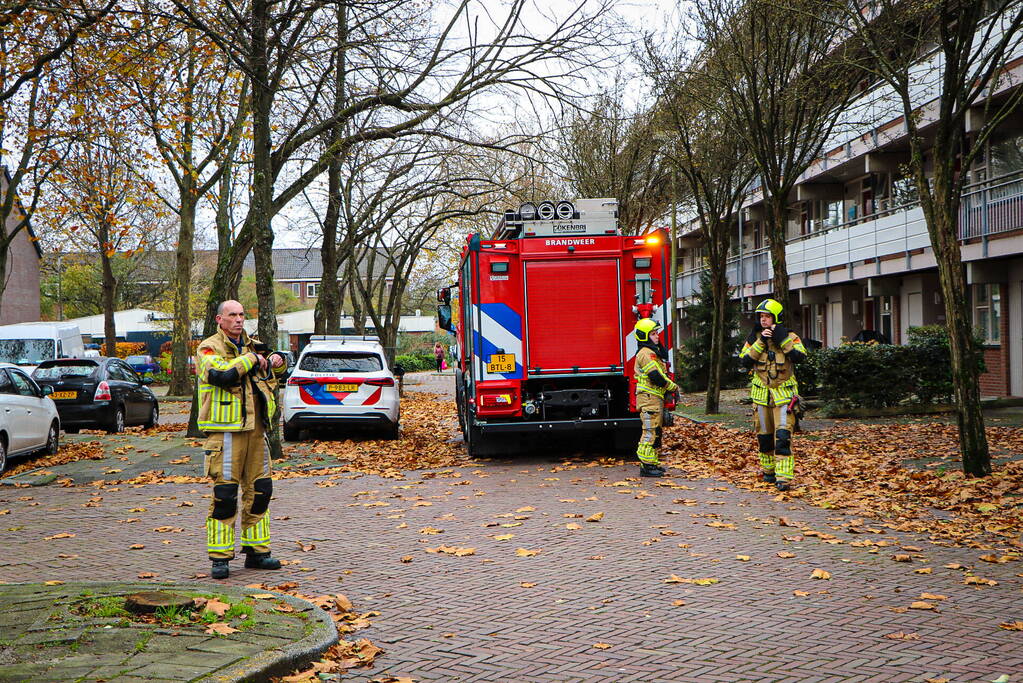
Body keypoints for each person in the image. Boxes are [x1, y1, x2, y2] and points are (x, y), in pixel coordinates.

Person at [196, 300, 287, 579]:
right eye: (232, 315)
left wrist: (277, 361)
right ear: (219, 319)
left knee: (261, 492)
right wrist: (250, 359)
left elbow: (276, 371)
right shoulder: (208, 347)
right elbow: (219, 374)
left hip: (257, 432)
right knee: (225, 496)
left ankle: (258, 553)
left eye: (241, 315)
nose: (238, 320)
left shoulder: (254, 345)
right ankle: (220, 558)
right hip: (225, 434)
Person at [739, 298, 807, 492]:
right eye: (761, 316)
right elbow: (744, 360)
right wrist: (761, 342)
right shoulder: (753, 338)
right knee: (765, 437)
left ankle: (784, 477)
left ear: (775, 317)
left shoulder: (790, 336)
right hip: (761, 397)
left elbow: (800, 356)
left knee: (783, 437)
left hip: (784, 396)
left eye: (767, 316)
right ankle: (769, 472)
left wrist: (781, 339)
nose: (763, 320)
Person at [633, 318, 678, 478]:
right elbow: (655, 376)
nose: (657, 336)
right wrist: (672, 387)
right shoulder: (645, 354)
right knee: (649, 431)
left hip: (654, 398)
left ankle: (652, 463)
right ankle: (646, 466)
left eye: (657, 333)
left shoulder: (652, 353)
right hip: (648, 398)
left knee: (655, 431)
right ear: (644, 336)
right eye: (653, 334)